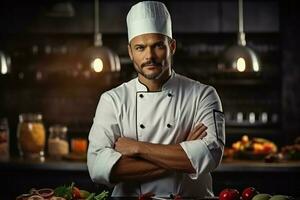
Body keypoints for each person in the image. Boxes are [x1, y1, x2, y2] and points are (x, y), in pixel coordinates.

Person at [87, 1, 225, 198]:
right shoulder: (112, 100)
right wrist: (183, 155)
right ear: (130, 52)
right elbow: (97, 167)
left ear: (172, 46)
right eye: (140, 48)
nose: (149, 56)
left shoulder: (203, 94)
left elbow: (210, 155)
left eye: (158, 46)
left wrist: (137, 148)